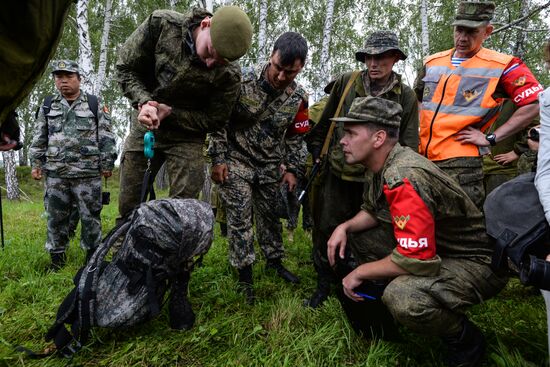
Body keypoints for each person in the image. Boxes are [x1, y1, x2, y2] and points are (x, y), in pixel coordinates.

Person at [327, 96, 507, 367]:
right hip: (439, 248)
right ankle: (381, 315)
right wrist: (345, 226)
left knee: (404, 298)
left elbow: (416, 258)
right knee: (356, 238)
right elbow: (374, 211)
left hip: (477, 262)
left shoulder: (403, 175)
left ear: (378, 138)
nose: (342, 140)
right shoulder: (380, 164)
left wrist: (360, 272)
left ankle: (465, 339)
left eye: (351, 133)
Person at [305, 30, 419, 308]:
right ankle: (324, 282)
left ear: (395, 58)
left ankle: (360, 280)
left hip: (375, 180)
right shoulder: (347, 82)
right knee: (326, 226)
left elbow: (409, 143)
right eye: (369, 57)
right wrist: (318, 156)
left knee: (369, 231)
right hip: (338, 172)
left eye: (381, 57)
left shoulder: (405, 96)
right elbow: (325, 125)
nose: (373, 63)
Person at [115, 6, 253, 219]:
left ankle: (174, 250)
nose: (209, 63)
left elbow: (215, 119)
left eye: (219, 63)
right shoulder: (161, 25)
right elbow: (125, 68)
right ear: (206, 24)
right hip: (145, 126)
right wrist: (144, 102)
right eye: (209, 52)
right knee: (129, 203)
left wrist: (172, 113)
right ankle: (124, 247)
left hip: (186, 138)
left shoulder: (230, 75)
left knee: (183, 211)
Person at [208, 32, 309, 302]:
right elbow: (219, 122)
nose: (280, 76)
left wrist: (292, 170)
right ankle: (244, 274)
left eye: (290, 72)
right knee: (240, 217)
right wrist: (218, 159)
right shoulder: (241, 81)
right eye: (278, 68)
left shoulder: (298, 98)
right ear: (271, 56)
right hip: (236, 159)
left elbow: (296, 138)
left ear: (300, 68)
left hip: (269, 165)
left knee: (269, 217)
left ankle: (274, 262)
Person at [415, 1, 542, 209]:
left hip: (462, 165)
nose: (463, 38)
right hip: (424, 159)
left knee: (462, 228)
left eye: (472, 32)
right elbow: (419, 96)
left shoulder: (503, 65)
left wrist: (491, 138)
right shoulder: (432, 61)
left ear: (487, 31)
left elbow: (535, 103)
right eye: (459, 30)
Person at [30, 60, 117, 271]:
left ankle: (92, 260)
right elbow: (39, 136)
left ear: (79, 78)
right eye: (59, 77)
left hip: (87, 173)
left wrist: (107, 163)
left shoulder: (95, 104)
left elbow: (106, 136)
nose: (63, 81)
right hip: (56, 173)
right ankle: (57, 260)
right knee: (55, 217)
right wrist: (36, 163)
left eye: (68, 76)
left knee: (90, 217)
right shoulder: (48, 104)